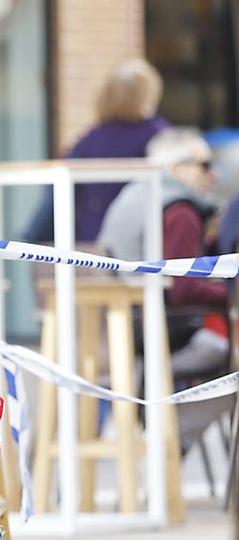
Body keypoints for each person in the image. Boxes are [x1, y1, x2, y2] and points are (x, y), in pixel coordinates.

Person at [98, 127, 230, 379]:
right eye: (205, 165)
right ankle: (167, 411)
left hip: (117, 324)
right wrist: (232, 291)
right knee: (221, 350)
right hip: (153, 329)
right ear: (175, 169)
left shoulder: (134, 193)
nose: (214, 174)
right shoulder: (179, 211)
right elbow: (185, 289)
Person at [21, 59, 169, 246]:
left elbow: (55, 197)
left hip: (91, 243)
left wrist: (34, 235)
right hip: (141, 243)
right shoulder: (158, 135)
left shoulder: (90, 138)